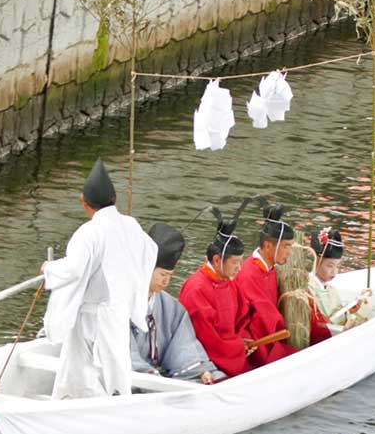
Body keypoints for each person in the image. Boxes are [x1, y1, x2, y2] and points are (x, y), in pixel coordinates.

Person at [41, 159, 158, 399]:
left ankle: (83, 404)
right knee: (114, 362)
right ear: (115, 199)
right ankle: (115, 400)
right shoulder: (131, 224)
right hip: (118, 308)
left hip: (93, 314)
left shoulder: (89, 231)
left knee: (84, 366)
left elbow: (73, 269)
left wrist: (49, 269)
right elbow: (150, 250)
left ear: (83, 202)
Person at [130, 223, 223, 384]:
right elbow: (120, 350)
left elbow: (184, 344)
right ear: (146, 269)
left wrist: (200, 371)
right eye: (162, 274)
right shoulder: (120, 303)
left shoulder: (172, 307)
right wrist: (149, 374)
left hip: (162, 375)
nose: (166, 281)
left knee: (213, 377)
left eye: (170, 275)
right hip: (133, 375)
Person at [179, 205, 255, 377]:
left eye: (241, 262)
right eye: (235, 262)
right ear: (216, 259)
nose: (239, 268)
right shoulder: (196, 288)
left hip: (231, 350)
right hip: (210, 359)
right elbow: (205, 338)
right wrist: (237, 346)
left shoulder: (229, 283)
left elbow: (241, 318)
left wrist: (243, 339)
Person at [234, 201, 298, 366]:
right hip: (256, 344)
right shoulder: (249, 273)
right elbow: (262, 318)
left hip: (271, 337)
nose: (290, 253)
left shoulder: (269, 269)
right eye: (286, 247)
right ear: (268, 246)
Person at [309, 227, 368, 327]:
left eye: (338, 266)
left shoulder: (331, 289)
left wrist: (349, 311)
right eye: (330, 265)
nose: (334, 271)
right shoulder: (308, 290)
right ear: (316, 261)